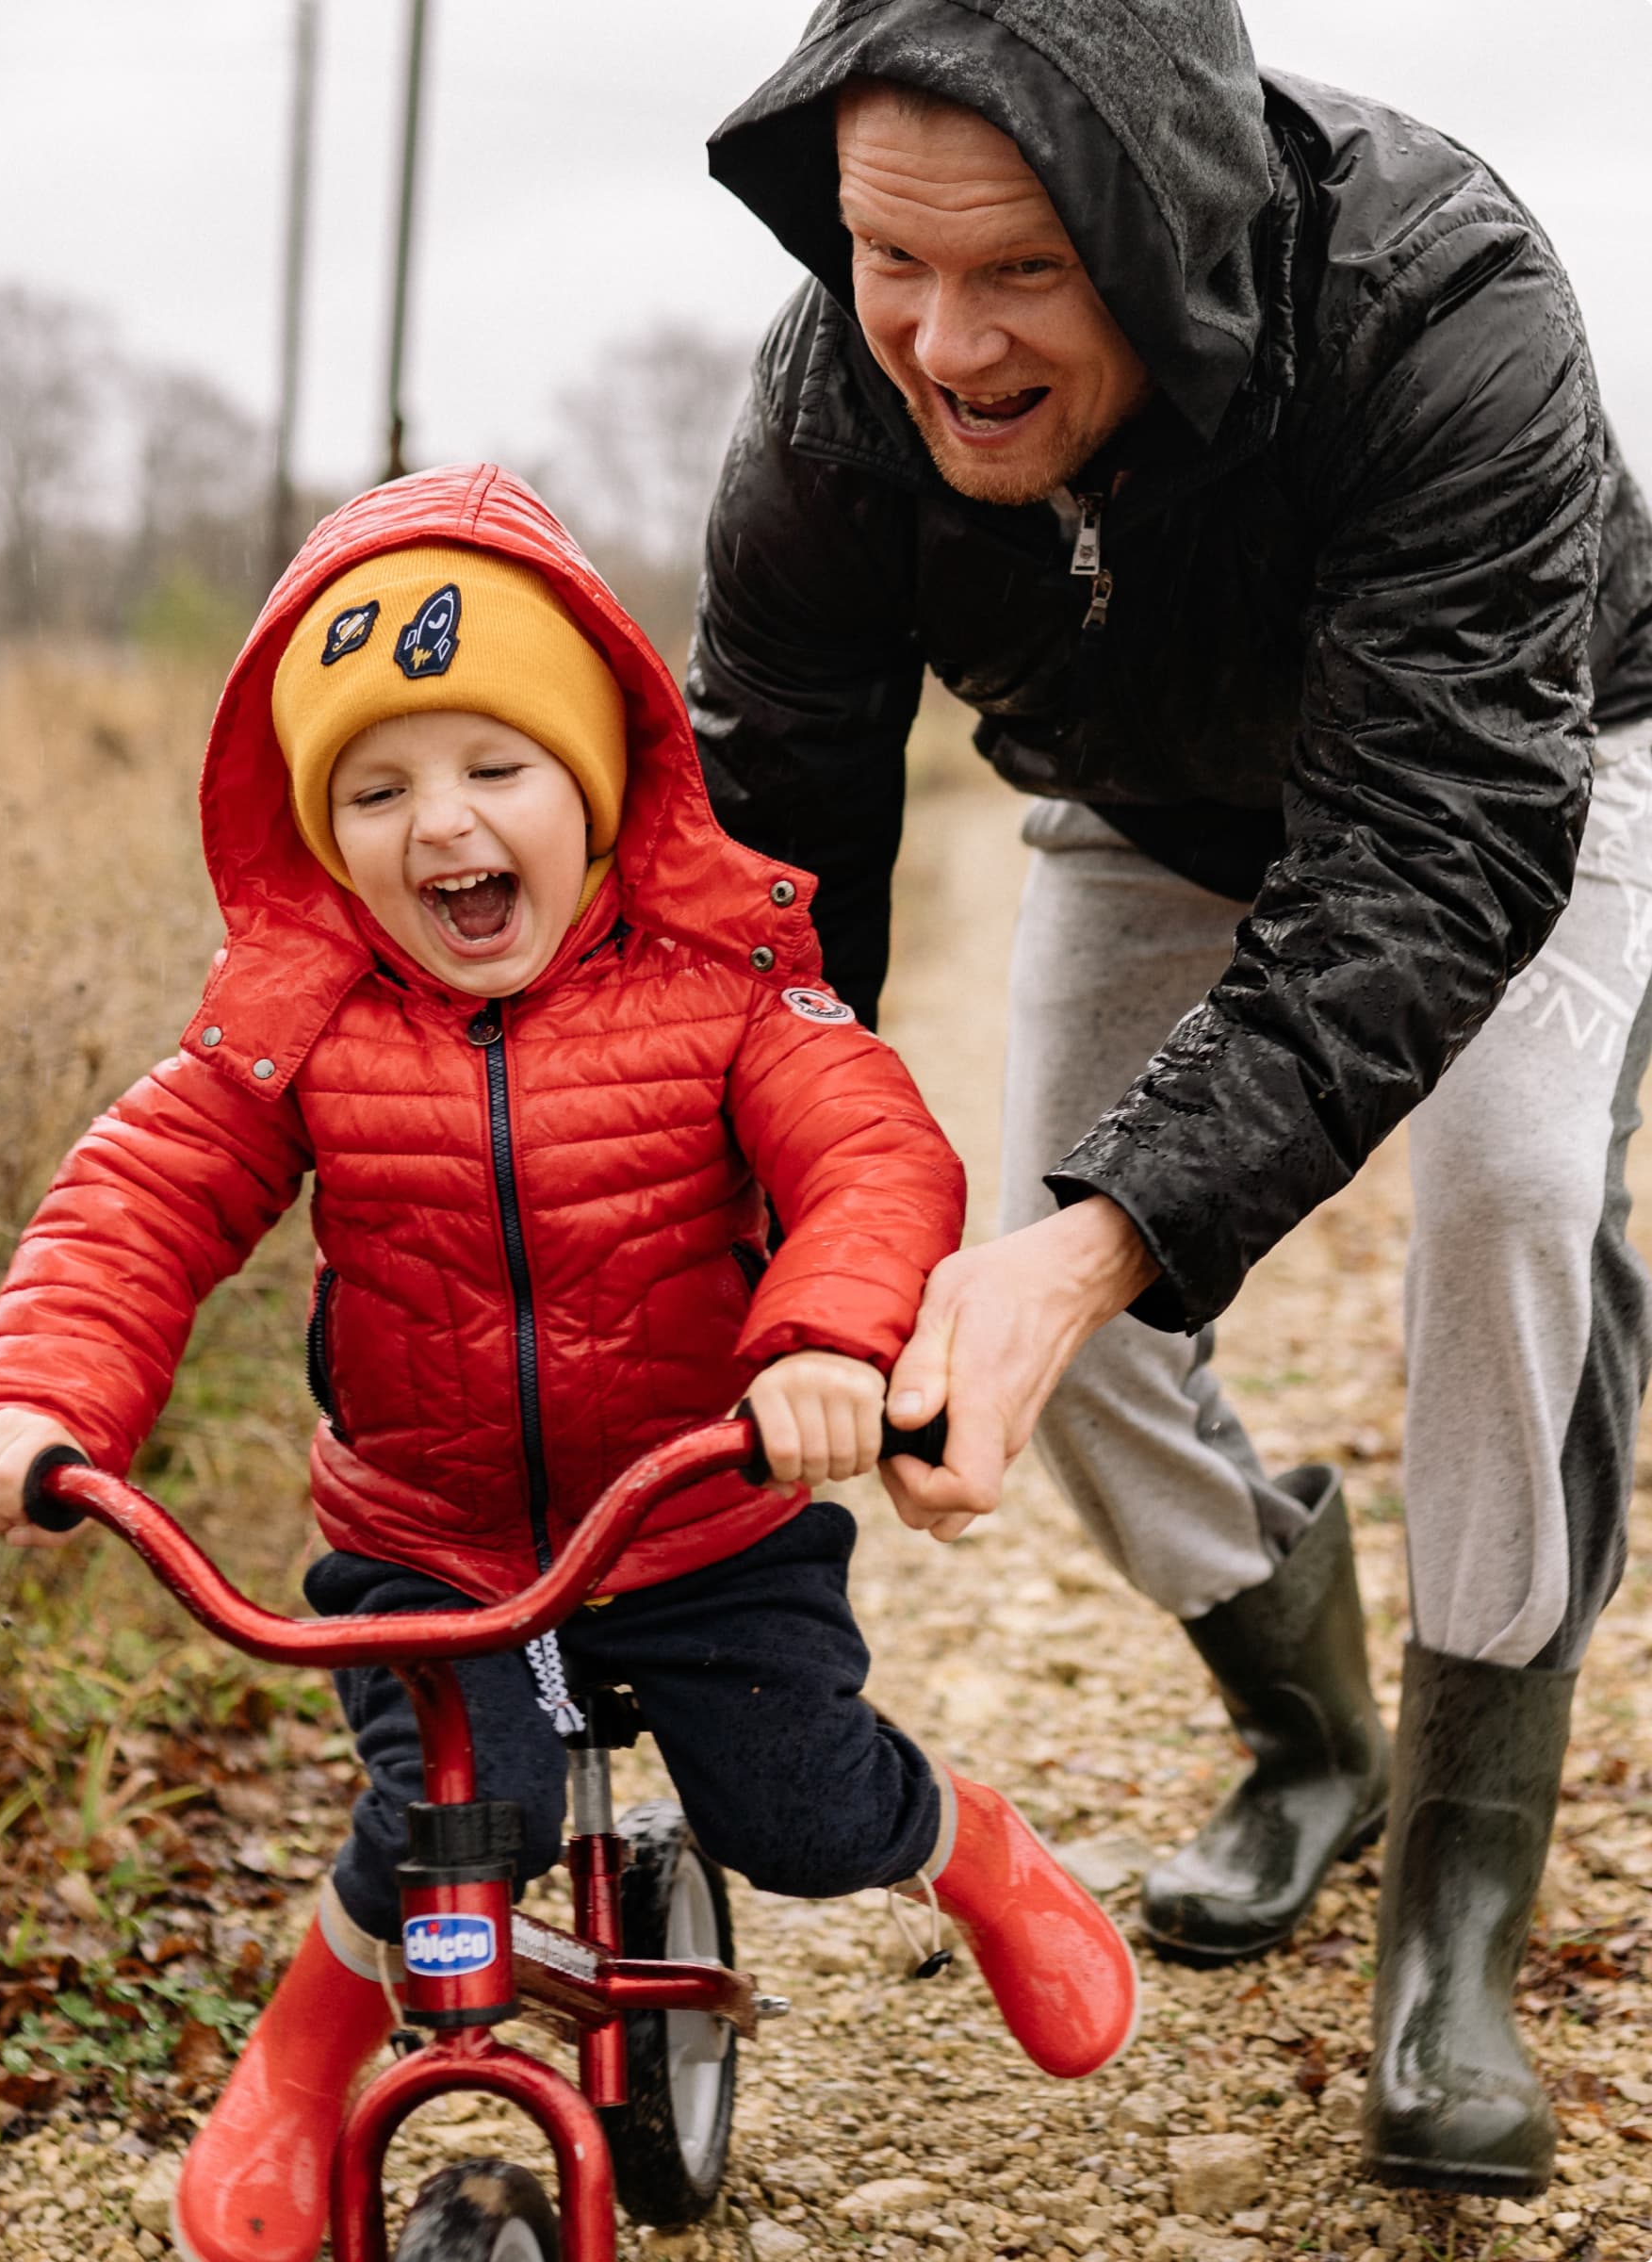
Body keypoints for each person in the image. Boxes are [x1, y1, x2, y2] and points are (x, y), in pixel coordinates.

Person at [0, 466, 1137, 2262]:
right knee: (442, 1826)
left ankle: (968, 1848)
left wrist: (818, 1344)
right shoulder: (301, 1019)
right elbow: (144, 1198)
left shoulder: (726, 984)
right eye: (376, 786)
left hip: (697, 1517)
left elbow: (873, 1156)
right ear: (320, 831)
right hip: (433, 1543)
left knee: (799, 1813)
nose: (443, 828)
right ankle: (293, 2069)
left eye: (496, 767)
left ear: (595, 779)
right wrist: (33, 1394)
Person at [692, 0, 1652, 2201]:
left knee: (1507, 1192)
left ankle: (1460, 1901)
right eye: (887, 258)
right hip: (1144, 802)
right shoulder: (832, 401)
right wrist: (761, 1225)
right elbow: (768, 867)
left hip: (1529, 764)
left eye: (1022, 268)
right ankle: (1309, 1738)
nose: (942, 342)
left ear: (1169, 223)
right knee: (1046, 1289)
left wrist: (1102, 1239)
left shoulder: (1449, 306)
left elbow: (1434, 849)